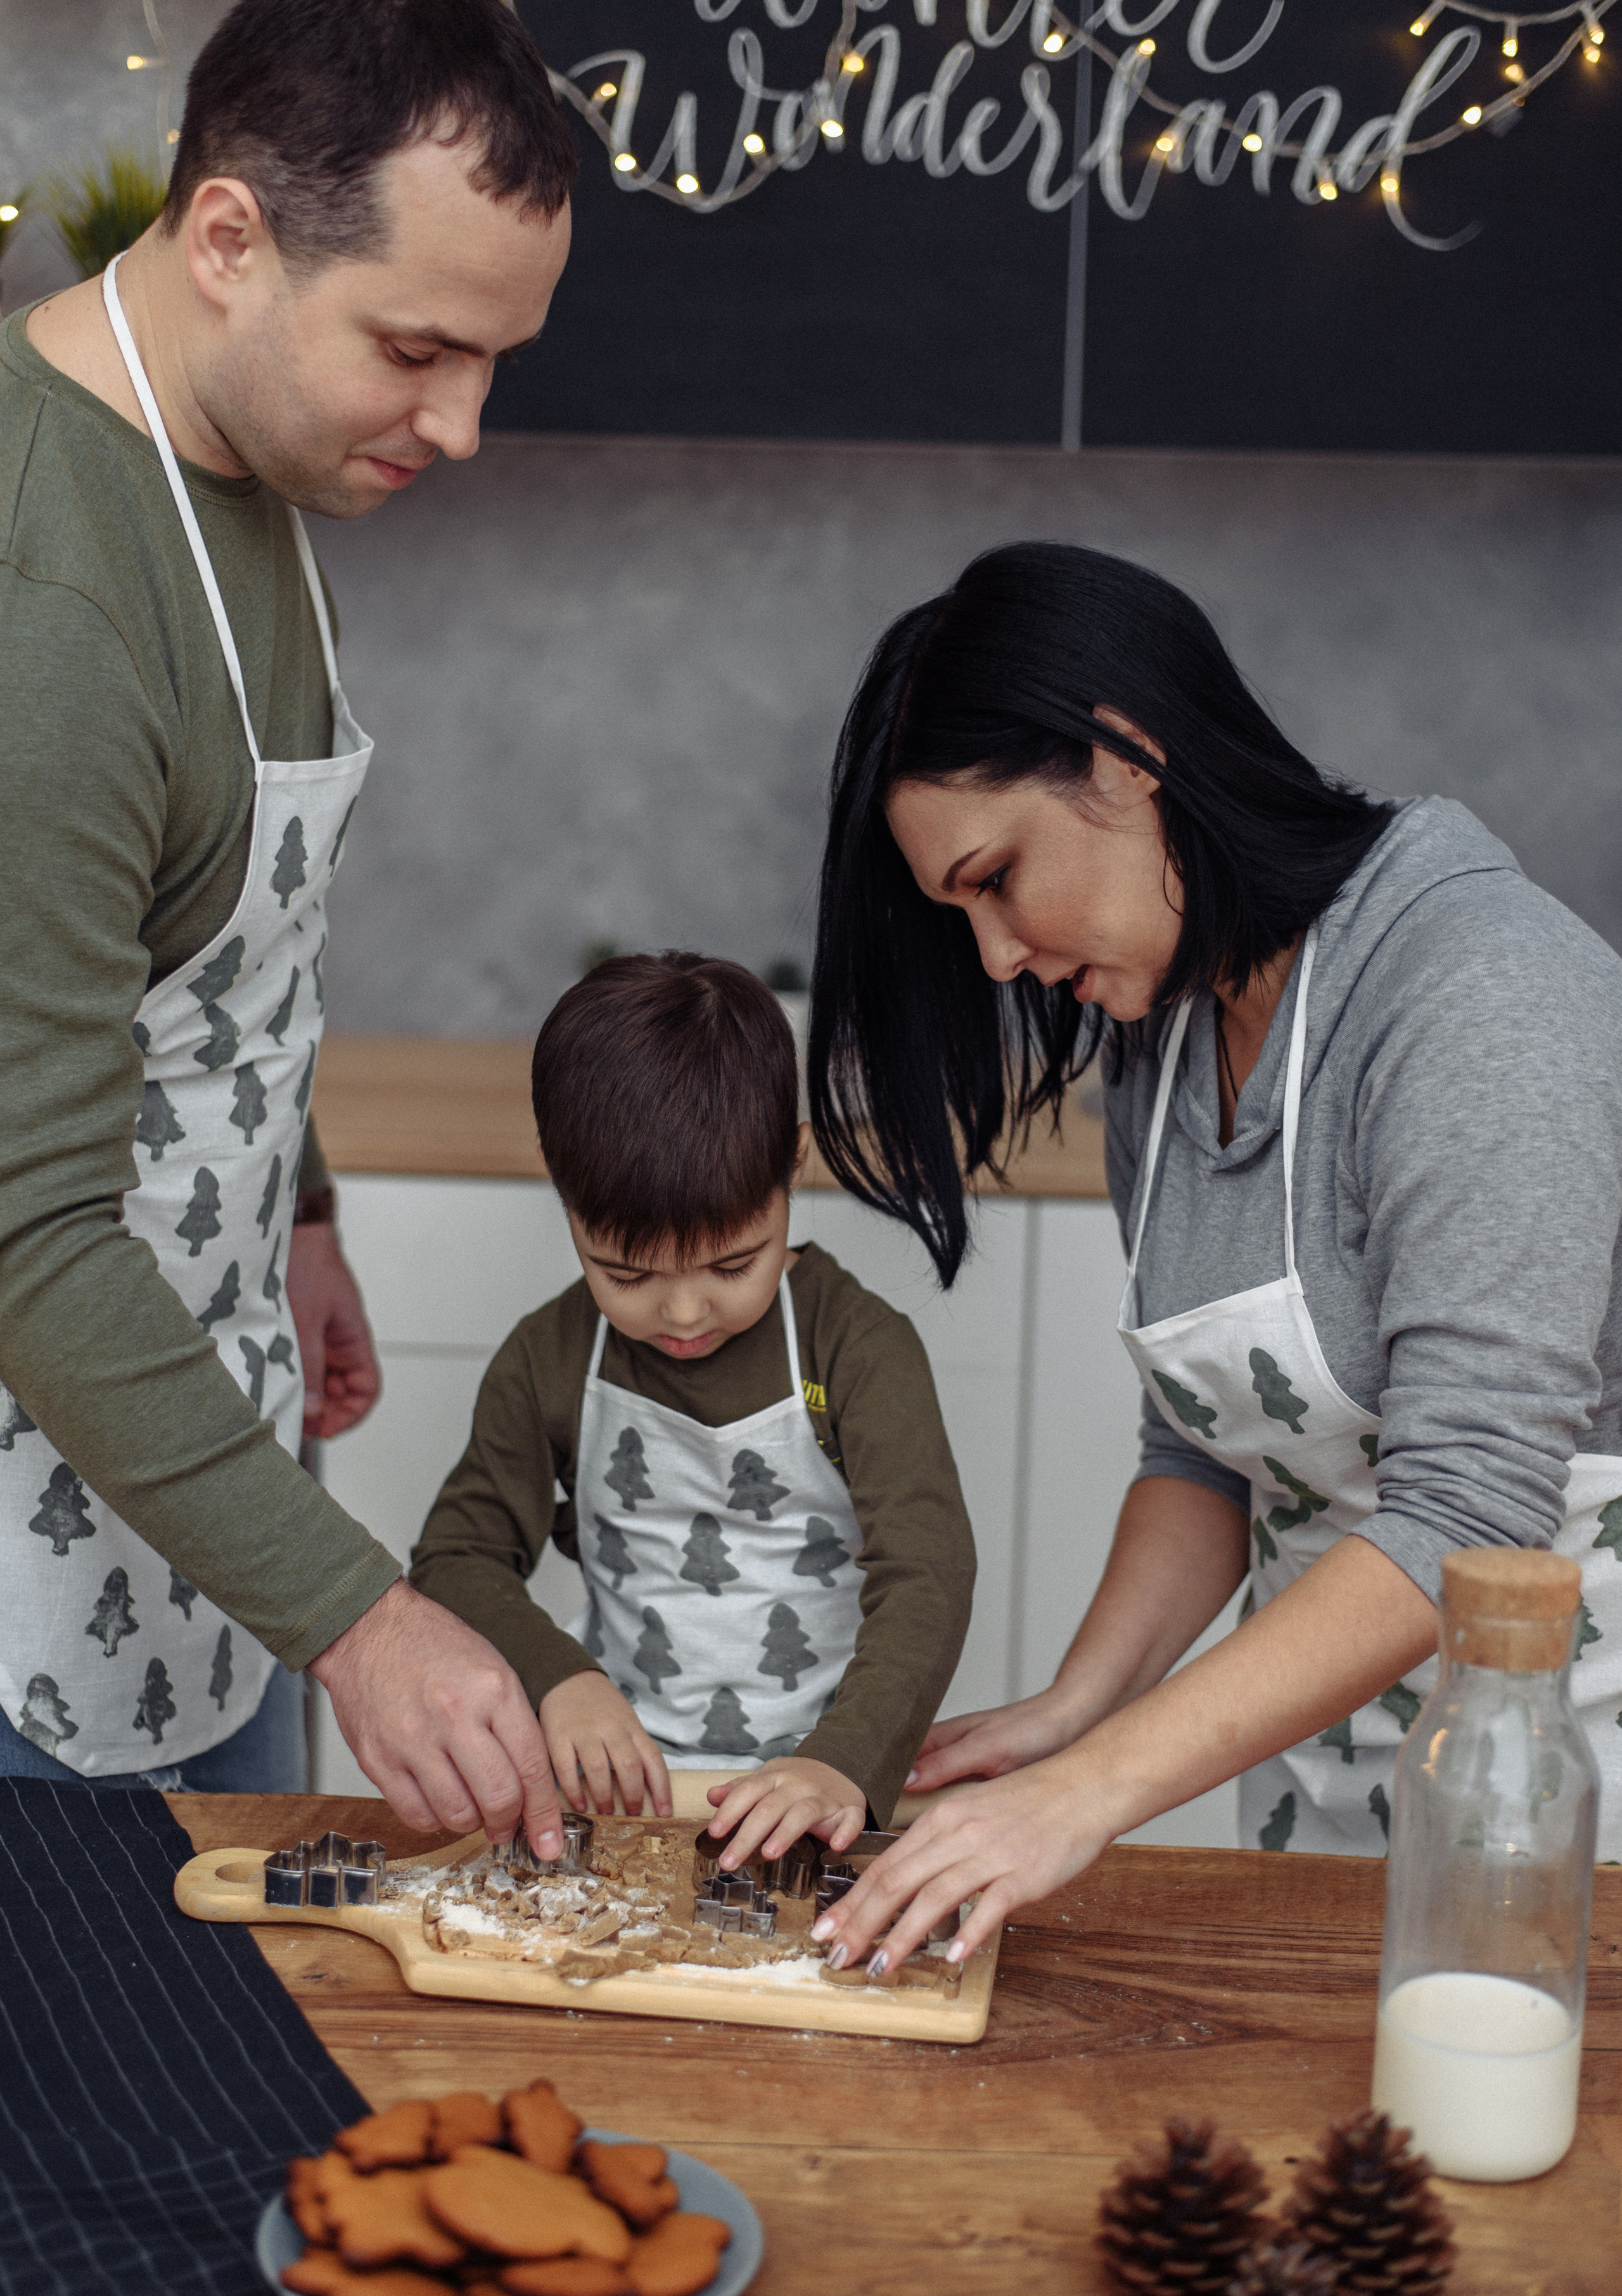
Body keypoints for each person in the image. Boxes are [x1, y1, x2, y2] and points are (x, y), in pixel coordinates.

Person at [800, 539, 1622, 1977]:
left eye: (997, 879)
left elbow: (1471, 1509)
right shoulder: (1162, 1038)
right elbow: (1200, 1458)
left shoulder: (1481, 993)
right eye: (959, 914)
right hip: (1317, 1778)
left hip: (1562, 1797)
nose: (995, 959)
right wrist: (1072, 1713)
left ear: (1124, 759)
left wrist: (1091, 1793)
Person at [0, 0, 577, 1853]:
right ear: (231, 240)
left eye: (495, 359)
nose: (465, 425)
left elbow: (200, 944)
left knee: (255, 2082)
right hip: (22, 1572)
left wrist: (298, 1211)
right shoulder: (50, 606)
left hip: (197, 1469)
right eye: (418, 349)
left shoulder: (240, 457)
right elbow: (22, 1229)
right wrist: (365, 1620)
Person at [410, 952, 975, 1858]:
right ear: (564, 1197)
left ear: (792, 1163)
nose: (680, 1312)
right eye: (624, 1273)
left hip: (824, 1802)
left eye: (731, 1265)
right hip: (628, 1806)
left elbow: (930, 1576)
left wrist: (842, 1762)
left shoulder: (858, 1348)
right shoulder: (549, 1359)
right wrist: (559, 1678)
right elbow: (456, 1557)